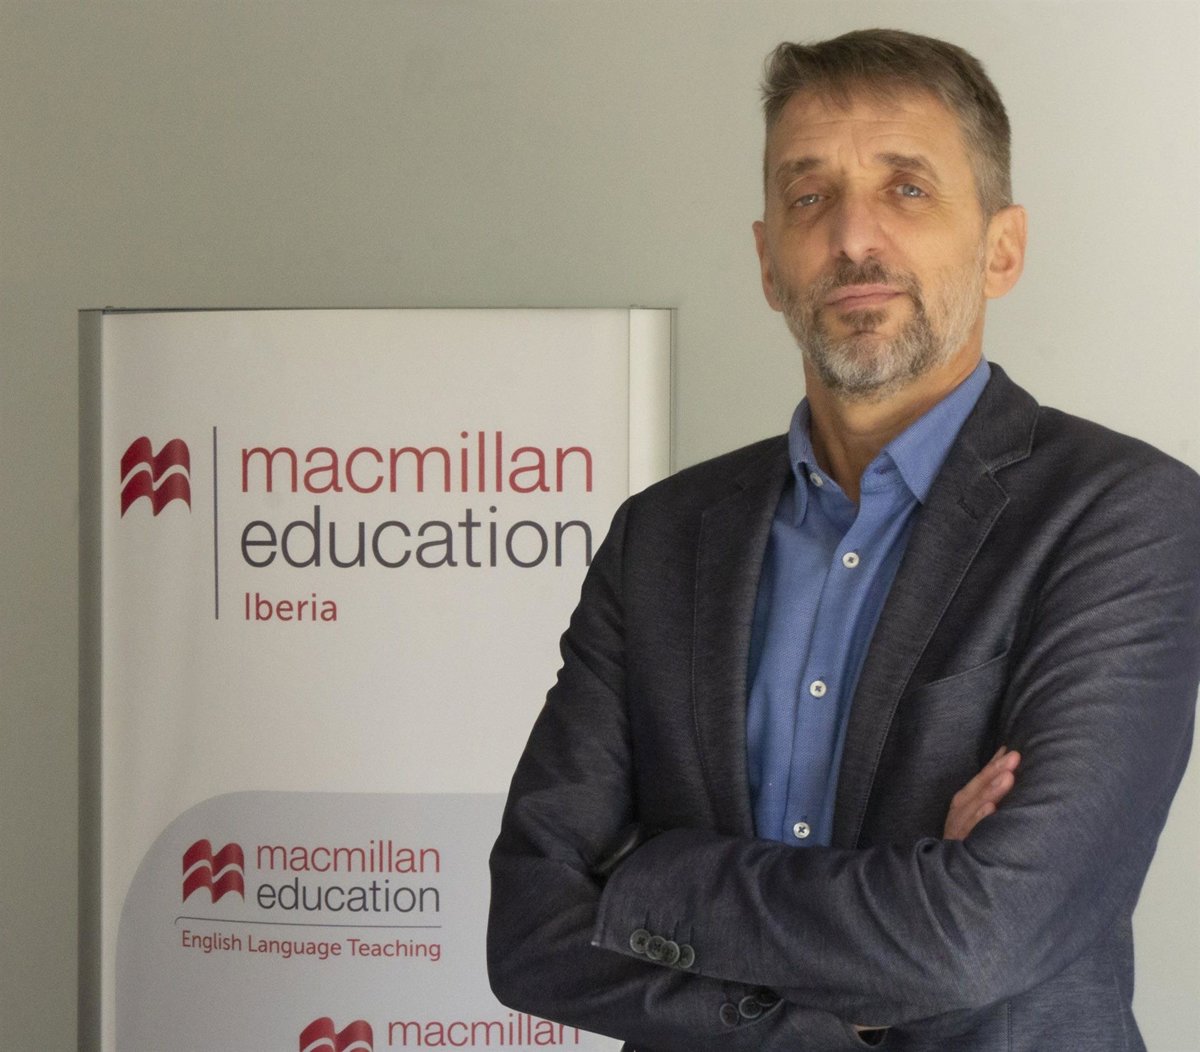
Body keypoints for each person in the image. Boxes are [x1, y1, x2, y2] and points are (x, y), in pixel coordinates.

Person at [487, 28, 1200, 1052]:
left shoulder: (1121, 515)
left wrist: (652, 878)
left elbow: (985, 936)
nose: (853, 235)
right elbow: (529, 928)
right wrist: (859, 993)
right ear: (767, 261)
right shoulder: (662, 537)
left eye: (907, 189)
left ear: (1002, 248)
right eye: (810, 195)